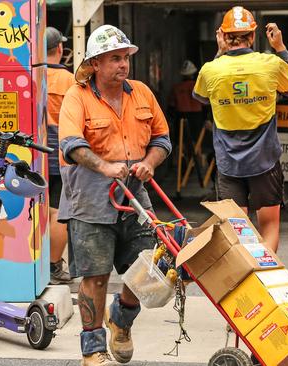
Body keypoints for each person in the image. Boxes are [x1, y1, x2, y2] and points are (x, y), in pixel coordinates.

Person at [58, 24, 171, 366]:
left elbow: (162, 139)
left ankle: (121, 319)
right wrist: (104, 166)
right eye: (114, 59)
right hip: (91, 198)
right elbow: (71, 144)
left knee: (153, 269)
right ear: (95, 64)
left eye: (125, 58)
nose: (123, 65)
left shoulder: (141, 93)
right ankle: (92, 349)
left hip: (135, 193)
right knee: (95, 276)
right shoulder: (77, 96)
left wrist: (150, 162)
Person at [192, 6, 288, 252]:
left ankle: (244, 283)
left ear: (222, 35)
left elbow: (199, 97)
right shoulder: (271, 63)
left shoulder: (211, 70)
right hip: (265, 162)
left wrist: (219, 54)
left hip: (229, 165)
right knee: (270, 226)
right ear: (253, 36)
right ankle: (265, 279)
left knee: (237, 231)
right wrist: (281, 48)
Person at [45, 26, 75, 285]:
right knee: (58, 212)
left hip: (32, 154)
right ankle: (54, 265)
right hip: (61, 155)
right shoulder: (70, 81)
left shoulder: (31, 76)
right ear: (60, 49)